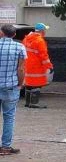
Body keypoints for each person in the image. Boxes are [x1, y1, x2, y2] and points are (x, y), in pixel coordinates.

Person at [0, 24, 26, 155]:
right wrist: (20, 84)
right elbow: (21, 69)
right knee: (9, 117)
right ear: (14, 34)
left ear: (1, 33)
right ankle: (5, 147)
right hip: (10, 86)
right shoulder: (19, 47)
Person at [22, 22, 53, 108]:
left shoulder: (26, 39)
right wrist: (49, 66)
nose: (45, 32)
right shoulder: (40, 41)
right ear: (42, 31)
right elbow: (44, 56)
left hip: (27, 65)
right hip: (37, 66)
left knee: (29, 84)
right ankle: (34, 103)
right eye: (45, 30)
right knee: (37, 84)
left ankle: (27, 102)